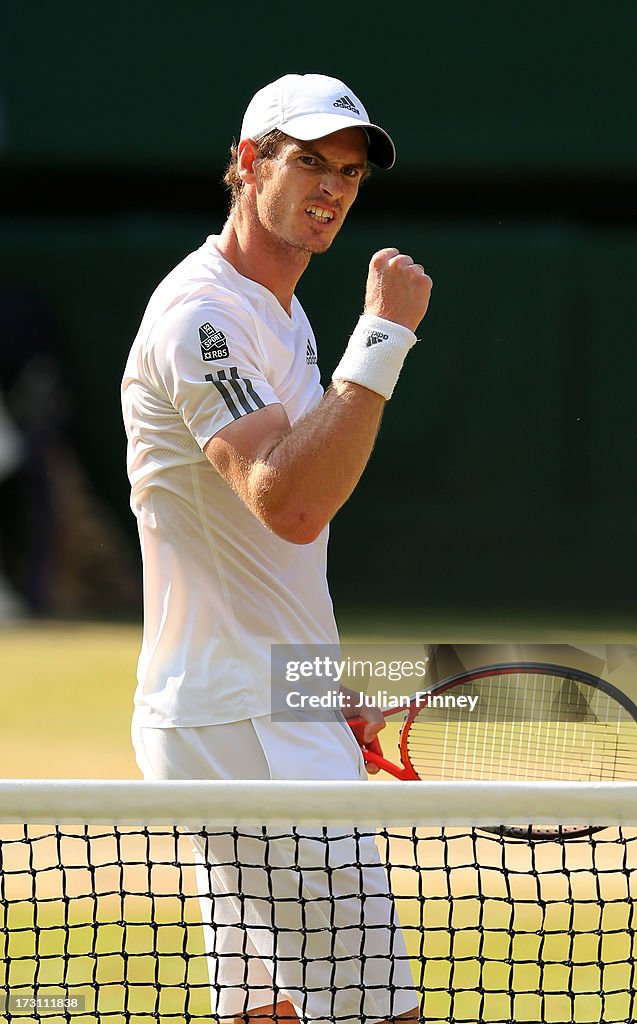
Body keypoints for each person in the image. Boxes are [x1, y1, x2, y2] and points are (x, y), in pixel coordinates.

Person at [121, 73, 432, 1023]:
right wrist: (381, 340)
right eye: (307, 162)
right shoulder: (202, 317)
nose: (331, 187)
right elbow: (289, 506)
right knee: (378, 1015)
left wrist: (312, 682)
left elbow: (262, 557)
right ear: (249, 164)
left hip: (252, 704)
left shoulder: (279, 312)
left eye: (346, 171)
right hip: (240, 721)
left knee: (272, 1013)